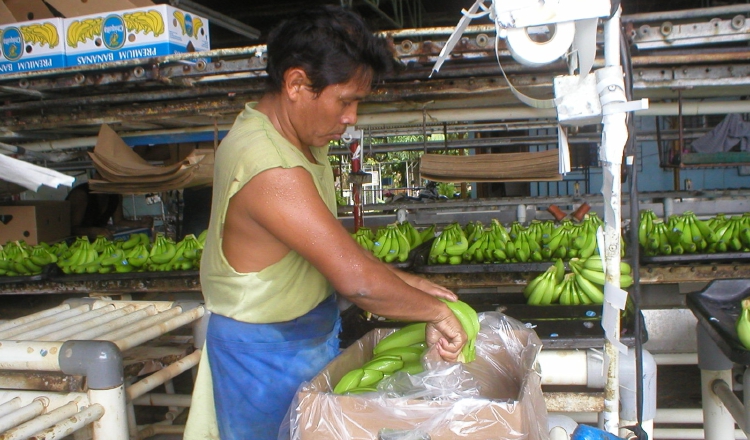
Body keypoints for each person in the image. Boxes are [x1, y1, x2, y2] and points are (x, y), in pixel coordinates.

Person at [184, 6, 467, 440]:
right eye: (346, 100)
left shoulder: (294, 142)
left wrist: (408, 283)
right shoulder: (270, 166)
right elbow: (358, 282)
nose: (351, 117)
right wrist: (436, 313)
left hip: (303, 337)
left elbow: (326, 248)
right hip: (263, 359)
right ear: (296, 83)